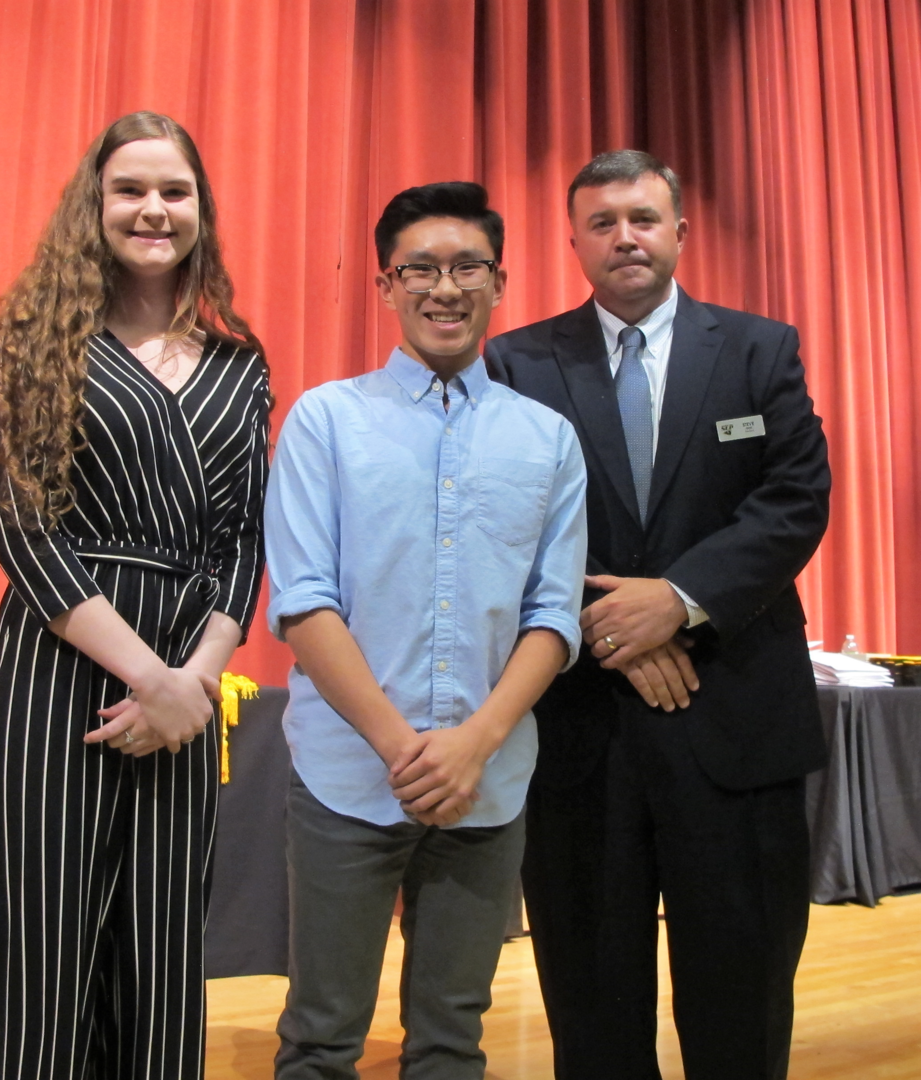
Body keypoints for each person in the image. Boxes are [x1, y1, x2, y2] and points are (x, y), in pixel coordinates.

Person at [486, 150, 831, 1080]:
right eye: (601, 223)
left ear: (679, 231)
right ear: (572, 242)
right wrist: (617, 628)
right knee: (591, 1002)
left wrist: (676, 603)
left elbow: (794, 500)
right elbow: (504, 522)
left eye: (641, 218)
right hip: (581, 725)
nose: (624, 237)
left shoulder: (759, 350)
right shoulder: (517, 363)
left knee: (742, 994)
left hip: (734, 715)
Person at [265, 181, 586, 1080]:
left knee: (452, 1038)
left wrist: (472, 745)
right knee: (321, 1035)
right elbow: (303, 602)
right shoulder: (326, 420)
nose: (445, 288)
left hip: (488, 783)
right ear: (386, 285)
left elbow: (552, 615)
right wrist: (403, 749)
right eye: (420, 269)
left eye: (468, 267)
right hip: (347, 776)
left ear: (500, 282)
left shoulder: (547, 439)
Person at [0, 111, 270, 1080]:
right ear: (95, 203)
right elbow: (24, 530)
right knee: (46, 939)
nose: (154, 209)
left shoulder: (241, 363)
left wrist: (193, 681)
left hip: (190, 688)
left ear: (201, 209)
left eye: (174, 191)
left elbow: (246, 539)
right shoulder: (28, 341)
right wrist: (149, 678)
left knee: (161, 944)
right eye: (131, 189)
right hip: (58, 669)